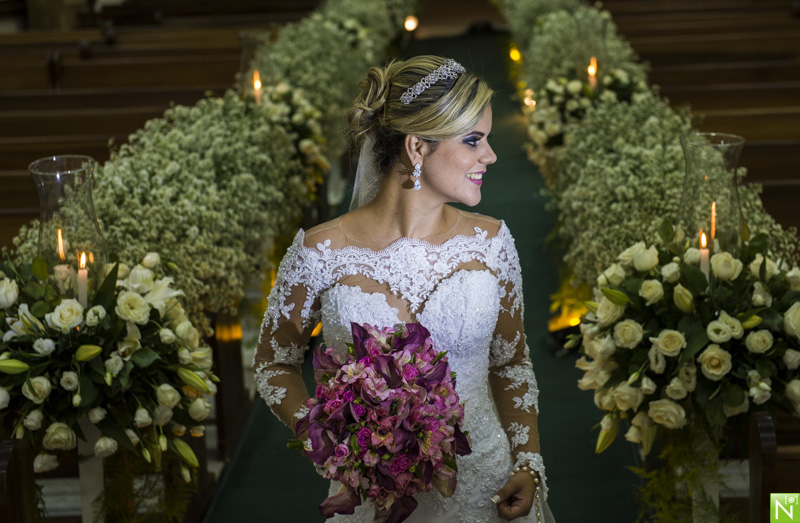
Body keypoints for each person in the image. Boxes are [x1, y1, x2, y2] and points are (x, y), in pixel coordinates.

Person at [254, 55, 554, 522]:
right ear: (417, 148)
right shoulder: (319, 251)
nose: (490, 156)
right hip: (371, 495)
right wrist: (329, 439)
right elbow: (274, 364)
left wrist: (529, 463)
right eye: (474, 140)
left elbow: (510, 363)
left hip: (486, 488)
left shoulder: (492, 242)